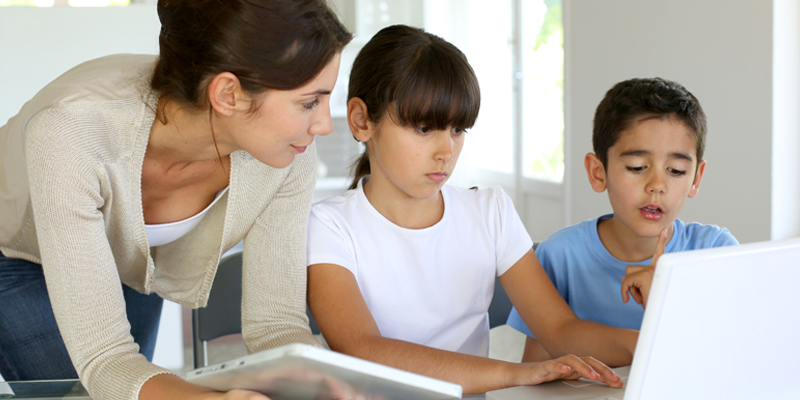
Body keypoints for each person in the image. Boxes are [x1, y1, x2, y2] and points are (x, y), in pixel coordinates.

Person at [0, 1, 351, 399]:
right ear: (228, 94)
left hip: (129, 257)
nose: (323, 125)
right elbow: (106, 358)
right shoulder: (71, 133)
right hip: (12, 252)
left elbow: (275, 324)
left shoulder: (288, 158)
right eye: (309, 102)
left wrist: (325, 381)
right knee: (80, 393)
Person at [306, 25, 636, 395]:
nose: (446, 151)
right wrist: (514, 373)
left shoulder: (490, 212)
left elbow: (560, 330)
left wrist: (645, 343)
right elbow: (364, 350)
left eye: (458, 129)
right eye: (423, 127)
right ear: (361, 120)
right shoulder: (329, 226)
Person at [506, 77, 739, 362]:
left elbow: (734, 359)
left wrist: (664, 303)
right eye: (637, 167)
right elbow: (539, 373)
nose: (657, 185)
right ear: (597, 172)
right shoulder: (559, 257)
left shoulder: (717, 251)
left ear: (696, 178)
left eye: (676, 170)